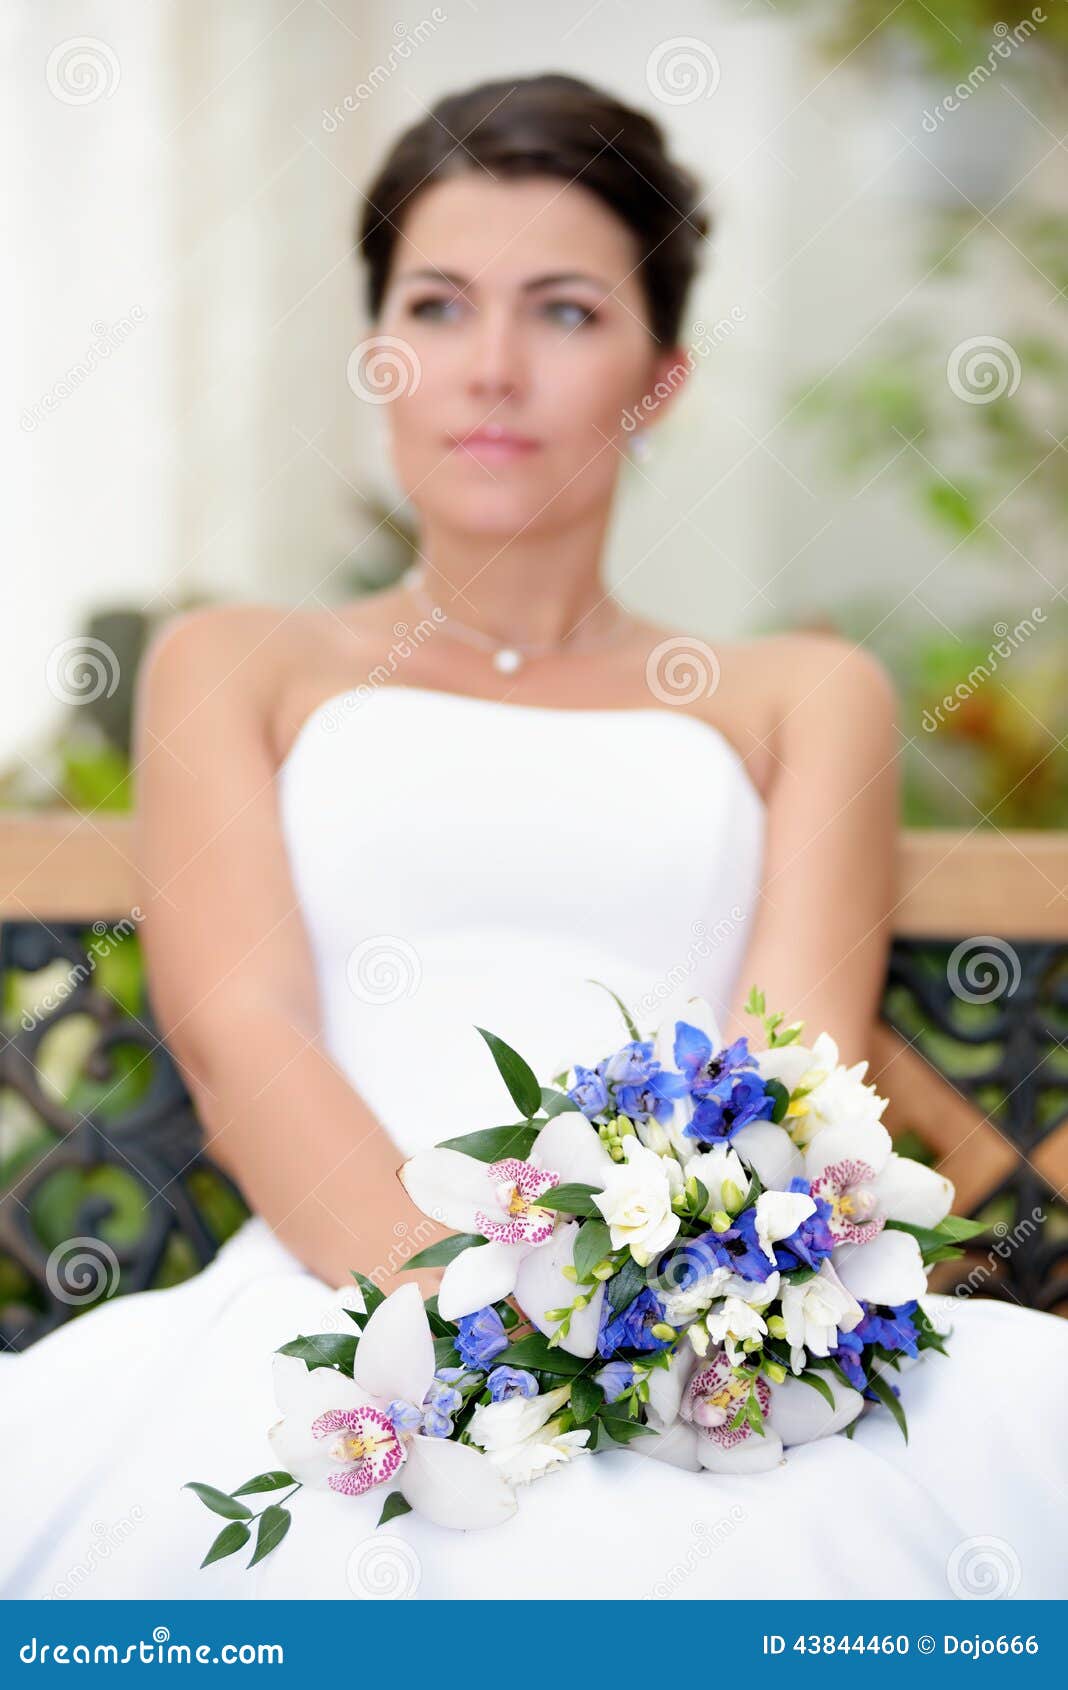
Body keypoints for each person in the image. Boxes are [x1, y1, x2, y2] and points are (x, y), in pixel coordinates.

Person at [2, 73, 1064, 1602]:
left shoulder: (797, 695)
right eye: (437, 306)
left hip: (691, 1320)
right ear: (380, 351)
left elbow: (792, 1053)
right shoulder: (237, 663)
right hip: (340, 1297)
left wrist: (644, 1318)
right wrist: (461, 1330)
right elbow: (240, 1022)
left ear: (660, 378)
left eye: (564, 312)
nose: (489, 368)